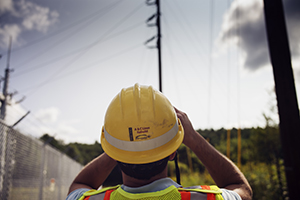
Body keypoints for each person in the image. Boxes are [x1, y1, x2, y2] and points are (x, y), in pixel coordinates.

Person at [66, 84, 252, 200]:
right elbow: (241, 188)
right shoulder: (207, 198)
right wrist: (193, 139)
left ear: (115, 154)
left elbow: (80, 184)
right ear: (173, 151)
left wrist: (122, 144)